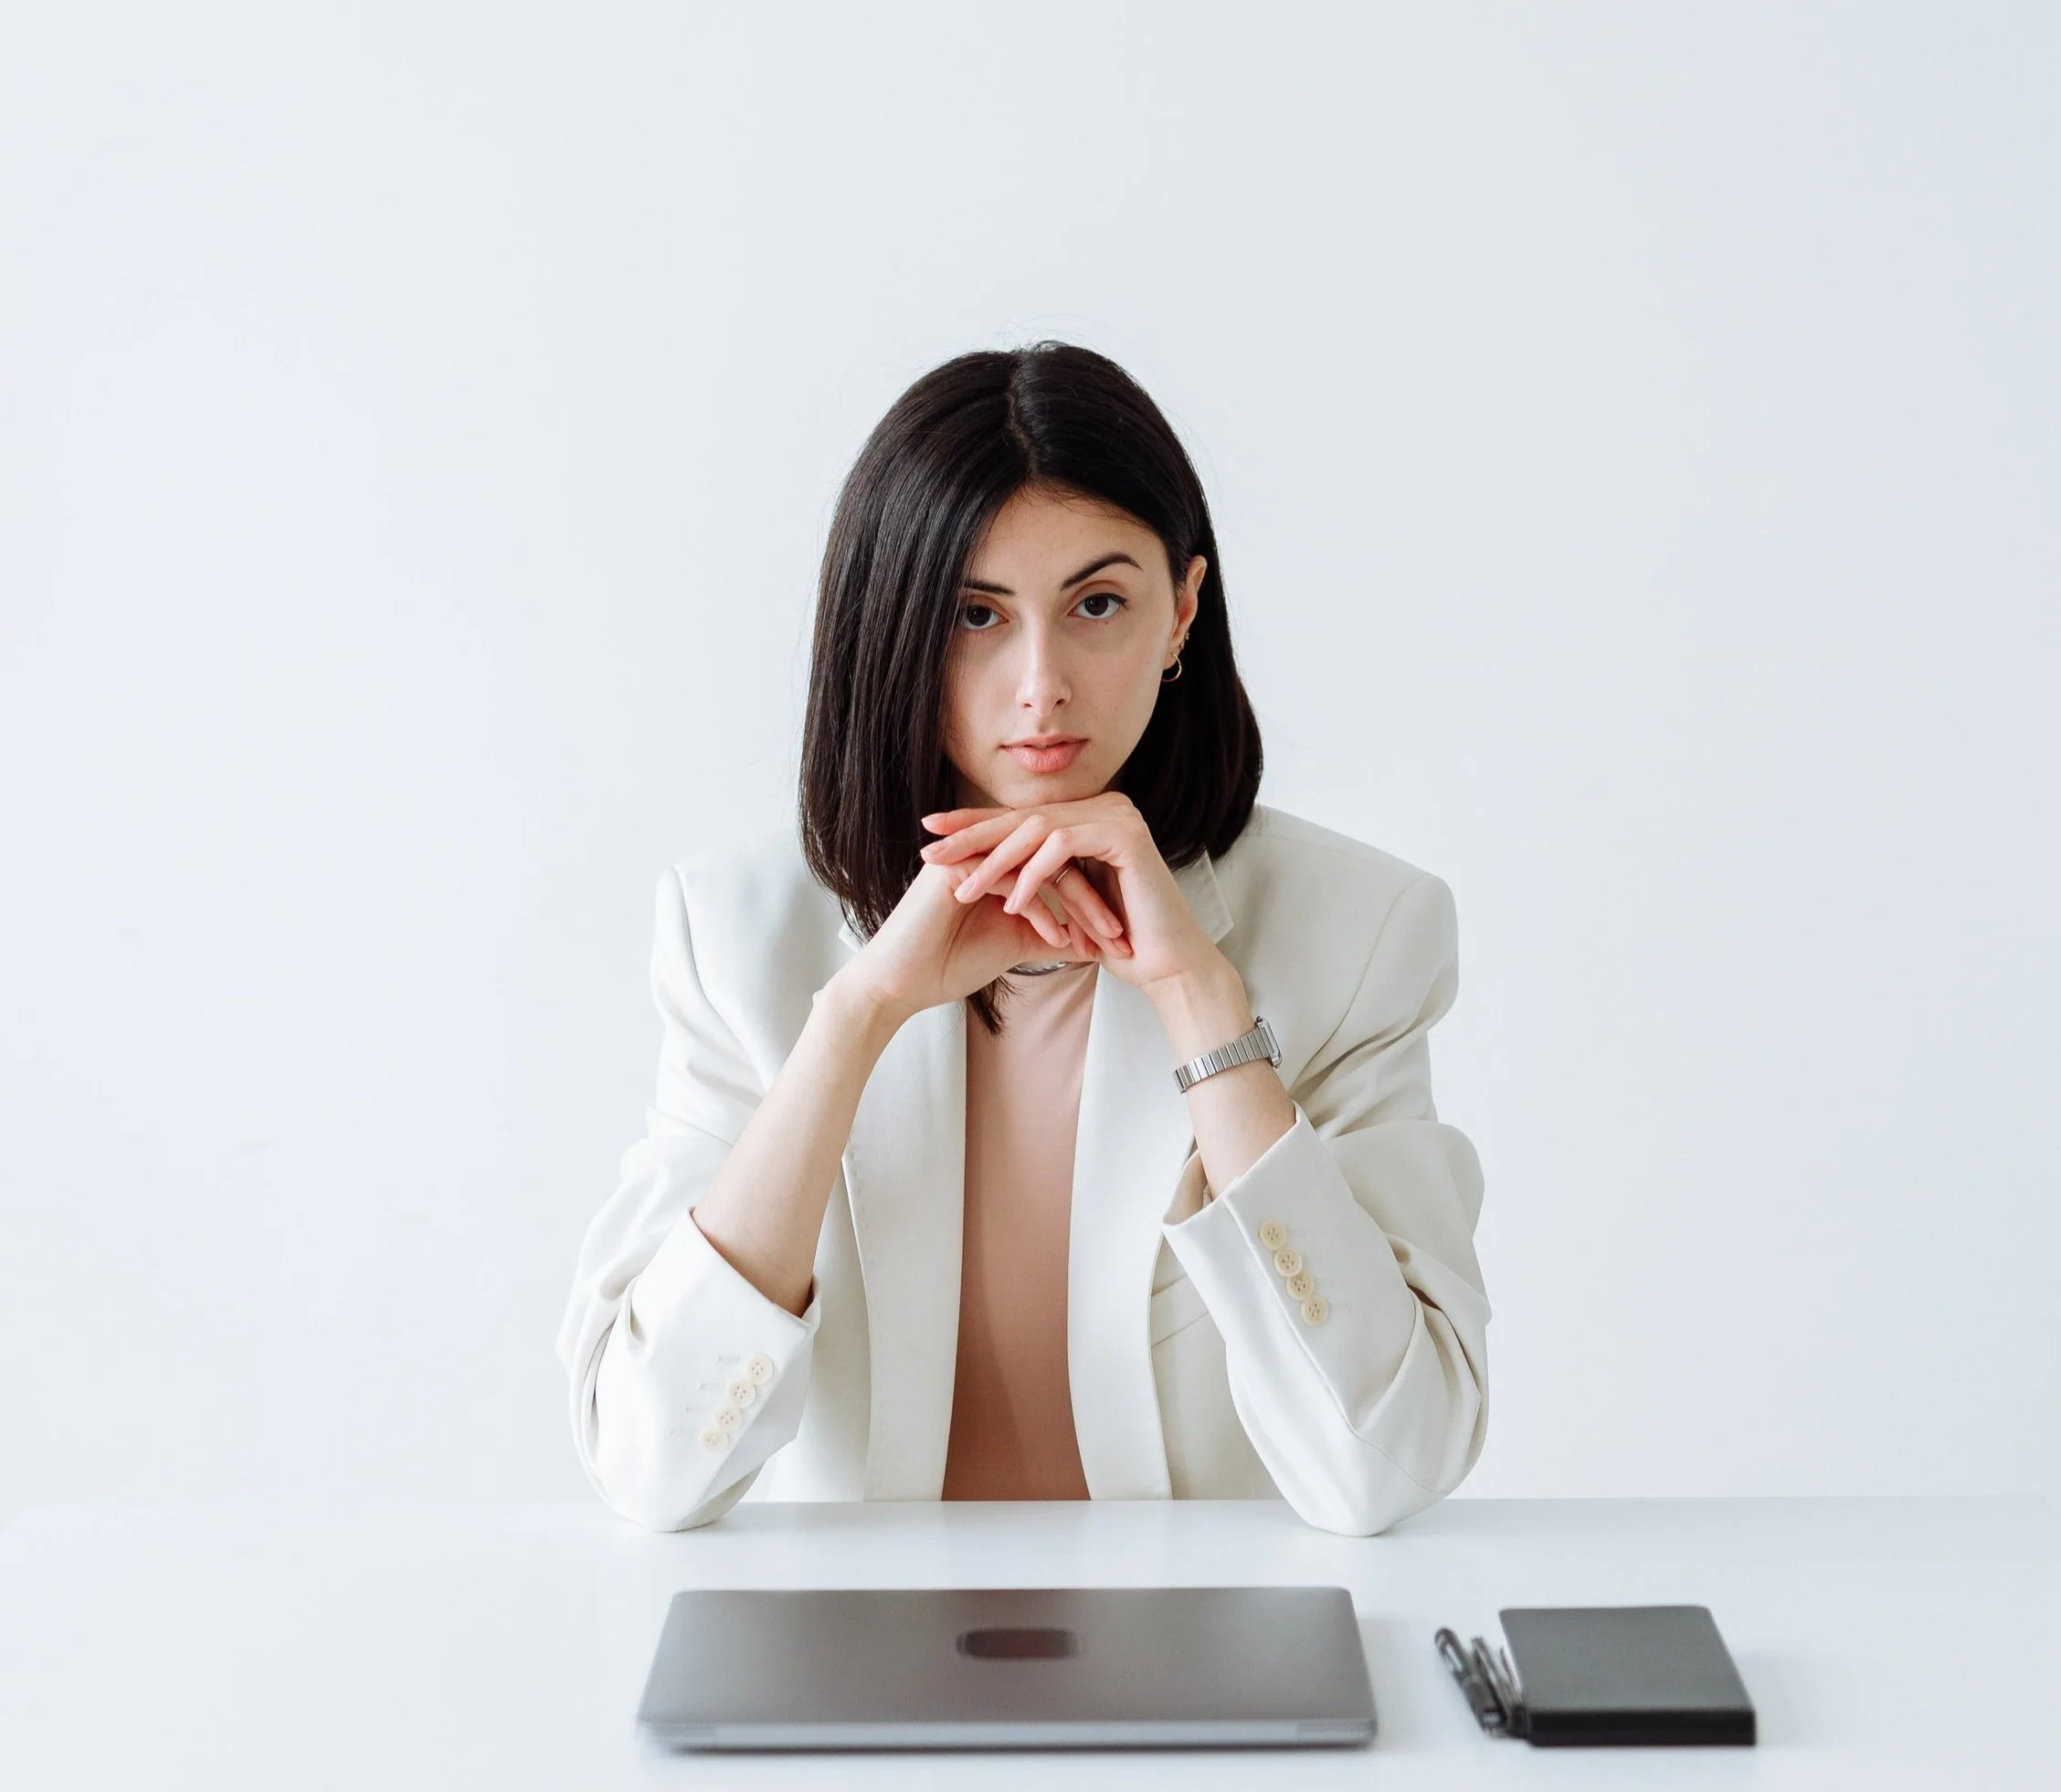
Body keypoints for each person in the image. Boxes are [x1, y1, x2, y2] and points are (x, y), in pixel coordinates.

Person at [554, 343, 1489, 1536]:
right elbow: (648, 1467)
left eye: (1096, 604)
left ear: (1181, 612)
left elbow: (1387, 1468)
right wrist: (855, 1017)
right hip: (858, 1663)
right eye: (973, 616)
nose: (1041, 685)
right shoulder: (738, 937)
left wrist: (1204, 1006)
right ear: (892, 630)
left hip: (1197, 1663)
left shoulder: (1361, 930)